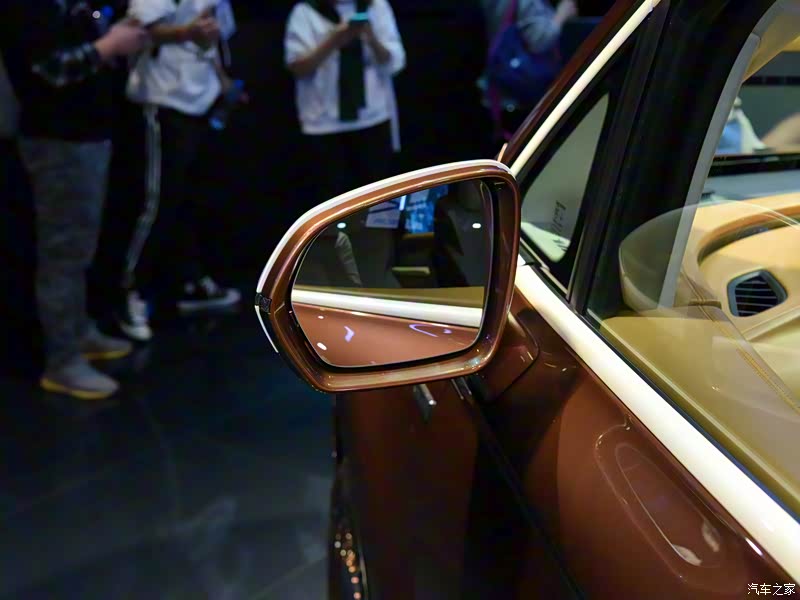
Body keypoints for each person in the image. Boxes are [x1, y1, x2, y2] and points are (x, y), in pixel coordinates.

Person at [2, 1, 147, 399]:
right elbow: (49, 69)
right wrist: (111, 45)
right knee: (63, 252)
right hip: (57, 139)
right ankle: (62, 360)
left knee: (80, 246)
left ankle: (79, 332)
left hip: (85, 132)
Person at [117, 0, 243, 342]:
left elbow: (213, 38)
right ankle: (128, 292)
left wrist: (224, 83)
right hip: (163, 100)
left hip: (202, 101)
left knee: (190, 199)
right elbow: (135, 30)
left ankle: (188, 282)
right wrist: (185, 32)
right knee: (156, 201)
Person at [285, 0, 405, 204]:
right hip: (323, 124)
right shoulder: (305, 11)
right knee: (330, 200)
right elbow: (298, 68)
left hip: (372, 119)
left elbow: (395, 63)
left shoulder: (376, 7)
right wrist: (334, 40)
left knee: (378, 200)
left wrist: (370, 37)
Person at [480, 0, 578, 138]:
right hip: (525, 95)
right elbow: (539, 41)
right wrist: (562, 14)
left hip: (499, 92)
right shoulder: (528, 2)